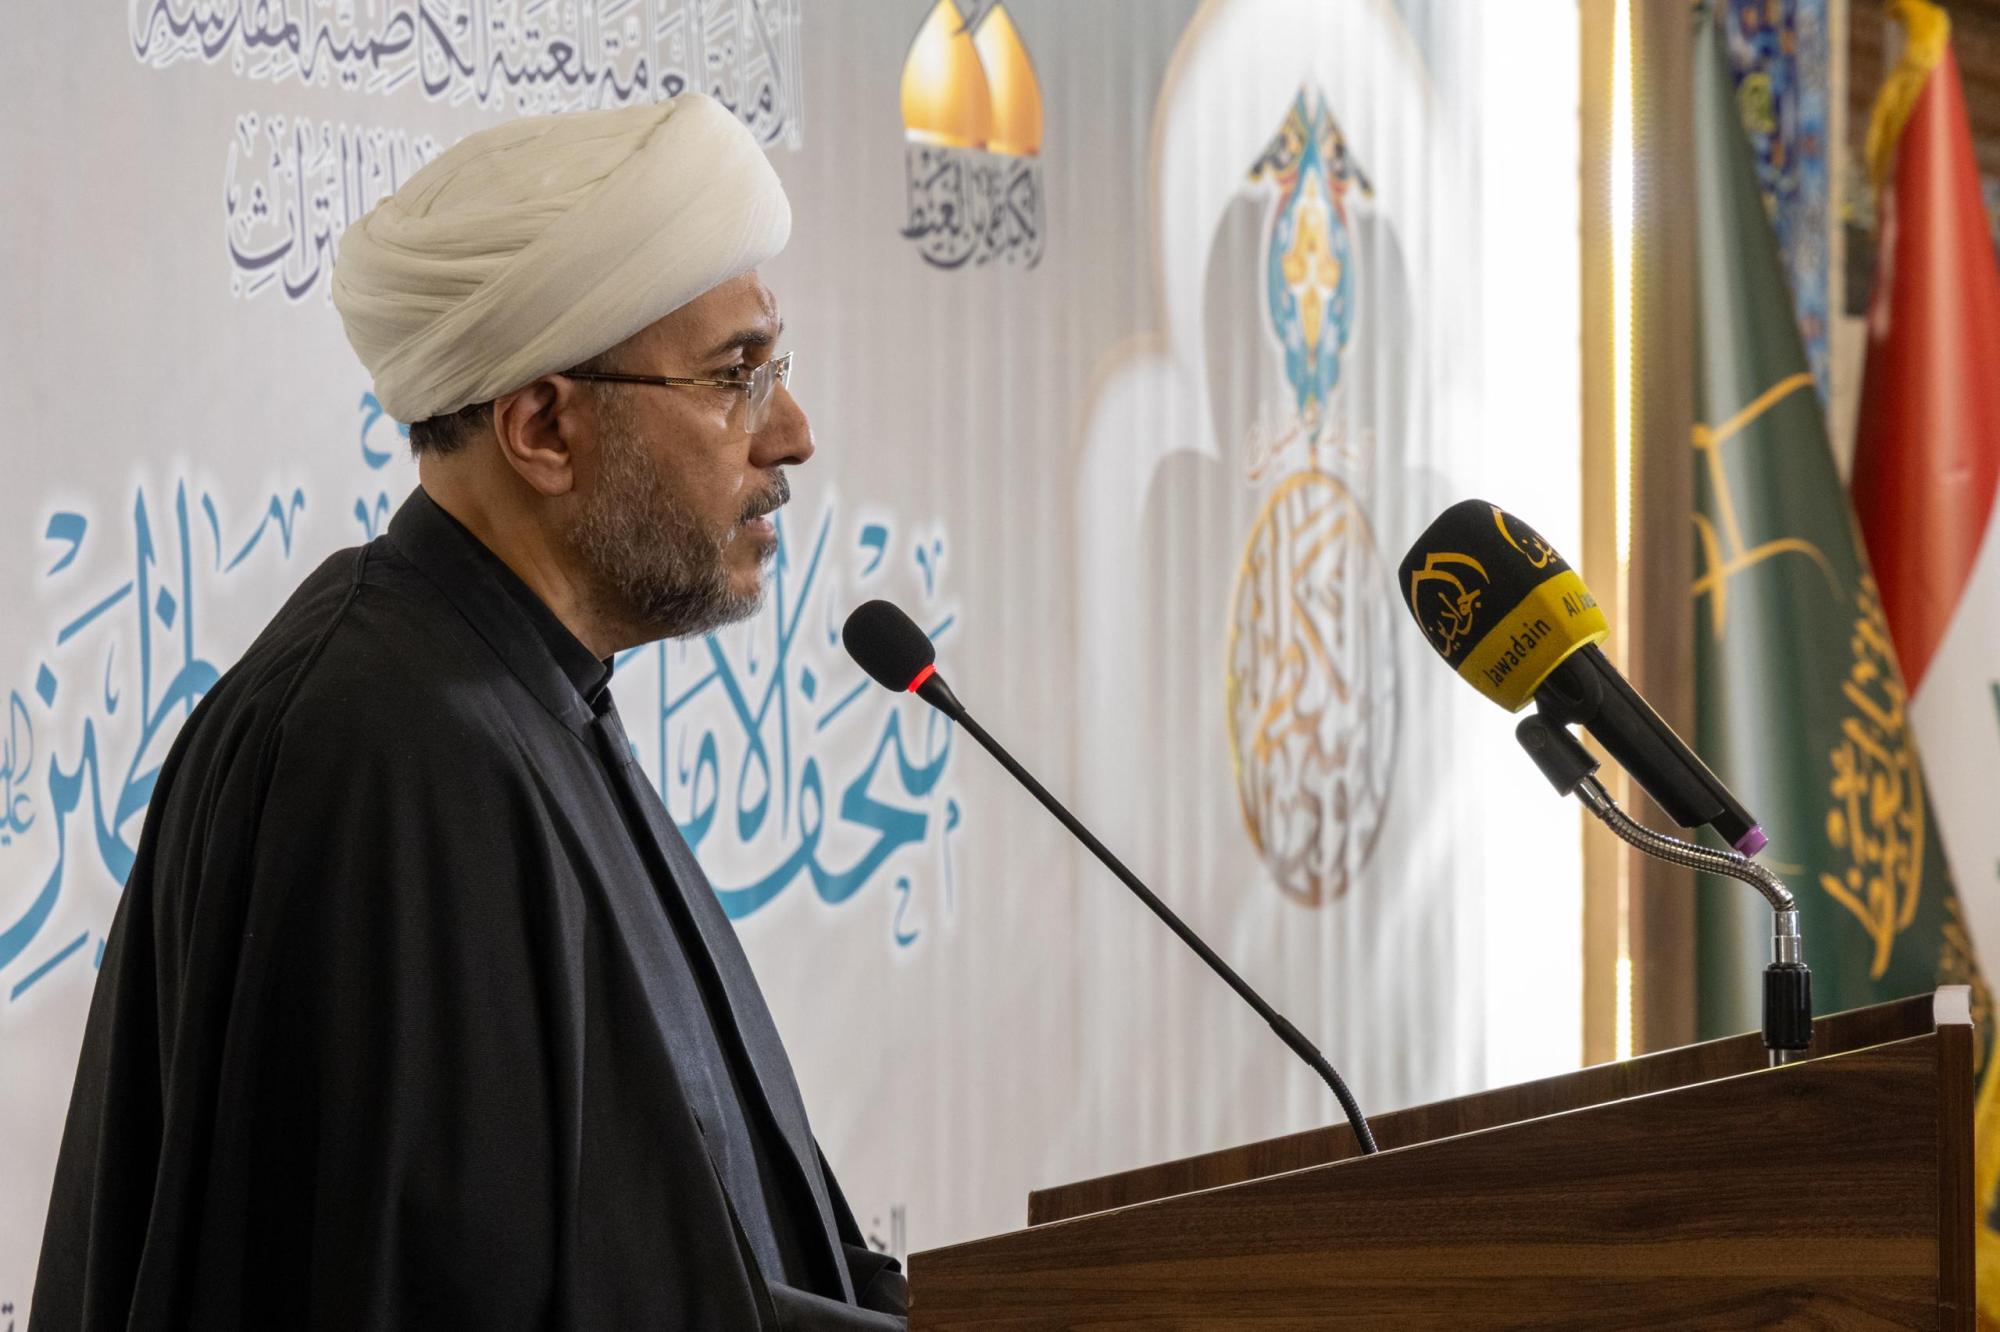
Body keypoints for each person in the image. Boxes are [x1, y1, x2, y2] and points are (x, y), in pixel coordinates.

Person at [32, 94, 906, 1329]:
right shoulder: (383, 750)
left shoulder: (528, 702)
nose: (792, 435)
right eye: (735, 377)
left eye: (777, 368)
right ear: (541, 426)